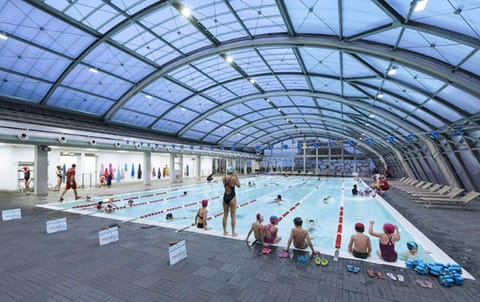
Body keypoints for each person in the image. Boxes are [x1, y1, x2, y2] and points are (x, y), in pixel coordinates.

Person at [222, 166, 241, 237]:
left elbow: (225, 185)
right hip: (232, 197)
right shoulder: (233, 178)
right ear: (233, 171)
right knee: (233, 216)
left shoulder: (223, 178)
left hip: (225, 197)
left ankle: (224, 232)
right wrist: (237, 177)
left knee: (225, 215)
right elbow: (239, 186)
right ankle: (233, 233)